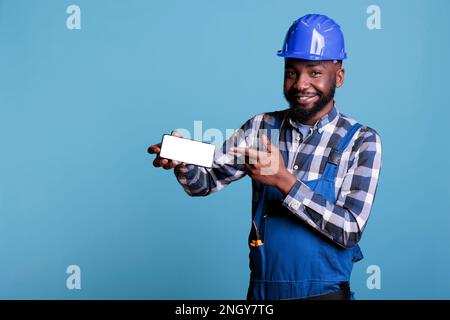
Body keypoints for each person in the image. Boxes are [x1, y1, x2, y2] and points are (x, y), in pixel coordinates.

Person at [148, 14, 382, 300]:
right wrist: (183, 159)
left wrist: (285, 182)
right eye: (292, 71)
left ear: (339, 77)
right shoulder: (261, 127)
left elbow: (349, 229)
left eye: (315, 72)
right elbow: (204, 181)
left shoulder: (361, 141)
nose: (300, 84)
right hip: (262, 294)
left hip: (325, 295)